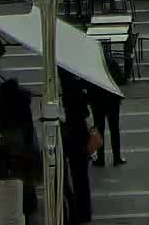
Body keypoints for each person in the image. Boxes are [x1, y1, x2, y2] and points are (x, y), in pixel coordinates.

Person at [61, 75, 95, 224]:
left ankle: (80, 213)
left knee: (77, 180)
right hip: (81, 144)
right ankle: (84, 212)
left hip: (76, 144)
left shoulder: (72, 105)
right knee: (81, 181)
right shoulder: (80, 99)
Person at [90, 54, 126, 167]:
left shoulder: (92, 64)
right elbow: (121, 79)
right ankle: (117, 157)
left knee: (99, 130)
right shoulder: (112, 62)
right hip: (112, 100)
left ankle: (100, 159)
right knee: (114, 129)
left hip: (97, 101)